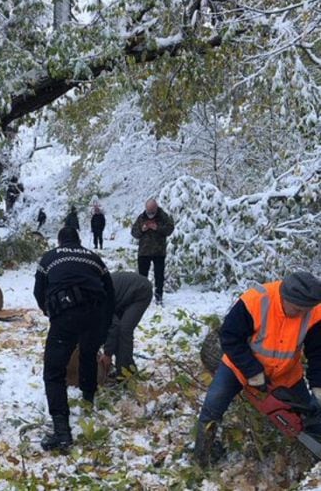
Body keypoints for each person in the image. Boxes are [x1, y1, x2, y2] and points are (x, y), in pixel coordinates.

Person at [194, 271, 321, 468]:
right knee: (214, 403)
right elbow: (229, 337)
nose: (301, 314)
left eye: (306, 310)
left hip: (286, 371)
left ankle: (311, 462)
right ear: (284, 297)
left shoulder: (315, 311)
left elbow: (318, 353)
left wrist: (318, 386)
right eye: (297, 309)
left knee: (310, 412)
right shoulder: (256, 300)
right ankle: (203, 456)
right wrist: (252, 371)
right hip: (239, 366)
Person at [33, 227, 116, 451]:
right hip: (96, 314)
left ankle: (61, 432)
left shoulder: (49, 258)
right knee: (88, 355)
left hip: (66, 314)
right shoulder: (94, 258)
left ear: (60, 242)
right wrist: (105, 326)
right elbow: (111, 293)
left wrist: (50, 312)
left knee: (53, 372)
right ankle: (88, 399)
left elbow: (38, 292)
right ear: (79, 242)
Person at [100, 271, 153, 377]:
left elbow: (113, 326)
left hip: (140, 291)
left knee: (124, 330)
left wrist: (107, 354)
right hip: (122, 296)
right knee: (117, 332)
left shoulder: (97, 301)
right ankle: (123, 369)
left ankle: (127, 374)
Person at [131, 198, 174, 306]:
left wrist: (157, 228)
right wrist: (142, 229)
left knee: (159, 276)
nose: (150, 213)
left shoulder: (163, 216)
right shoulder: (141, 217)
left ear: (156, 207)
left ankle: (159, 296)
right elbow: (134, 232)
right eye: (148, 210)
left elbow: (170, 229)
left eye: (152, 211)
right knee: (142, 277)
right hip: (144, 252)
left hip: (159, 252)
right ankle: (142, 296)